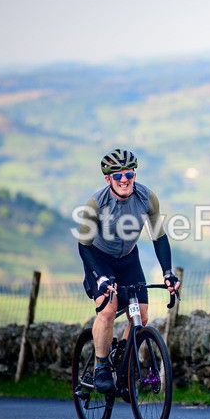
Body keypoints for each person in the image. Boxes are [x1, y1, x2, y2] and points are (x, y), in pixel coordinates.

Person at [75, 148, 180, 393]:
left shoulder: (146, 198)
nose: (124, 180)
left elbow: (159, 237)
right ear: (108, 179)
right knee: (109, 310)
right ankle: (101, 367)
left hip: (128, 259)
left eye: (129, 174)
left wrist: (167, 272)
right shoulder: (96, 204)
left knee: (141, 316)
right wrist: (100, 277)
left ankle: (120, 356)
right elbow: (84, 246)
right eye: (118, 175)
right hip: (99, 259)